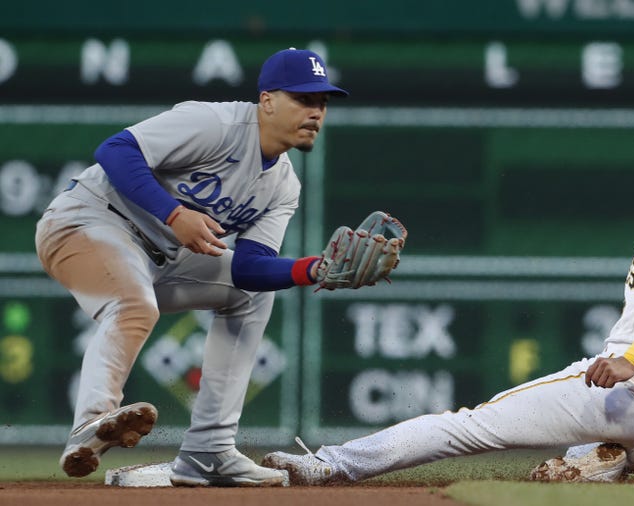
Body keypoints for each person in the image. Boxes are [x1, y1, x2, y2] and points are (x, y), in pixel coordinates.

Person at [262, 123, 634, 485]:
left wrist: (630, 359)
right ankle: (599, 461)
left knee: (469, 425)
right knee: (582, 454)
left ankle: (330, 463)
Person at [35, 47, 400, 487]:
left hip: (162, 259)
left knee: (248, 295)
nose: (316, 112)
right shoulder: (218, 123)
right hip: (86, 220)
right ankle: (91, 425)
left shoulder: (284, 186)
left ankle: (209, 451)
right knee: (135, 304)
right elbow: (115, 150)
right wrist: (174, 214)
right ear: (267, 100)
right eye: (303, 99)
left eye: (322, 102)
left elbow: (249, 269)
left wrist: (314, 270)